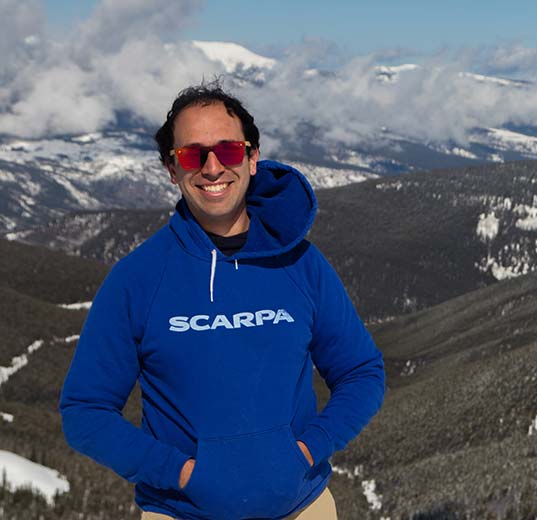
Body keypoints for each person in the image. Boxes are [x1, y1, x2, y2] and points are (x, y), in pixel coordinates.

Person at [59, 83, 386, 520]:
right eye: (193, 155)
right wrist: (179, 472)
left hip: (302, 508)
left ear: (252, 159)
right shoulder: (137, 280)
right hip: (181, 513)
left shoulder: (301, 263)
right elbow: (85, 411)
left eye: (228, 150)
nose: (212, 168)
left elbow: (361, 372)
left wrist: (310, 449)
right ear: (172, 169)